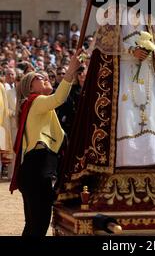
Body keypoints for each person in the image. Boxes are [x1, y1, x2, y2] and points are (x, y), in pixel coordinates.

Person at [57, 5, 155, 208]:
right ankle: (121, 163)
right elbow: (105, 48)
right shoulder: (113, 12)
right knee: (125, 117)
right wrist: (130, 51)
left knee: (154, 115)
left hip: (148, 76)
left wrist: (147, 52)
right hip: (123, 76)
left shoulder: (150, 15)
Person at [9, 50, 82, 236]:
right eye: (40, 78)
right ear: (30, 88)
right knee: (38, 226)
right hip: (37, 169)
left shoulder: (34, 103)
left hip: (35, 169)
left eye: (46, 76)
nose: (46, 78)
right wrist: (71, 70)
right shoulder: (37, 100)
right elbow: (59, 98)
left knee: (34, 226)